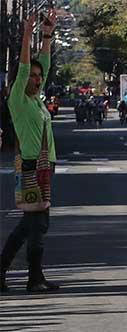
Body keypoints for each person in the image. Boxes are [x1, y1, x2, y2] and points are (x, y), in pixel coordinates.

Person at [1, 9, 59, 293]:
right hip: (32, 166)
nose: (37, 79)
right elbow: (25, 68)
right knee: (37, 226)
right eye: (32, 76)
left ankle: (6, 272)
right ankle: (34, 278)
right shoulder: (19, 100)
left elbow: (44, 65)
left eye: (38, 77)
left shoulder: (36, 101)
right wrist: (27, 34)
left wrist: (47, 35)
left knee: (30, 224)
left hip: (44, 166)